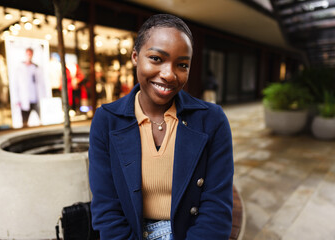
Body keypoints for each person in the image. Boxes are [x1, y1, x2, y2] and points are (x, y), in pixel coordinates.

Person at [88, 14, 234, 240]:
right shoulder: (106, 120)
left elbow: (216, 210)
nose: (169, 74)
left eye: (182, 64)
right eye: (156, 58)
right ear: (136, 57)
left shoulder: (212, 120)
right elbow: (106, 209)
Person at [12, 47, 46, 127]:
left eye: (30, 54)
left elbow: (41, 84)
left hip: (35, 98)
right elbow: (15, 85)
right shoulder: (19, 68)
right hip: (24, 99)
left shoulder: (36, 68)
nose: (29, 56)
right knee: (25, 121)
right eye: (28, 54)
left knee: (41, 120)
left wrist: (43, 96)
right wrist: (16, 99)